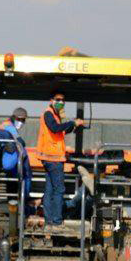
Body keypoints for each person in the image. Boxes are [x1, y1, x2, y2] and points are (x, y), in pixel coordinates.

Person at [36, 93, 83, 226]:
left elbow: (60, 132)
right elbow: (55, 128)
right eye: (58, 100)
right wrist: (72, 122)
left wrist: (72, 126)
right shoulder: (49, 113)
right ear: (51, 100)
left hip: (50, 158)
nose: (61, 102)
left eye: (63, 100)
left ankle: (49, 220)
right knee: (59, 190)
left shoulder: (54, 115)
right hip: (53, 158)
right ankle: (56, 221)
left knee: (50, 189)